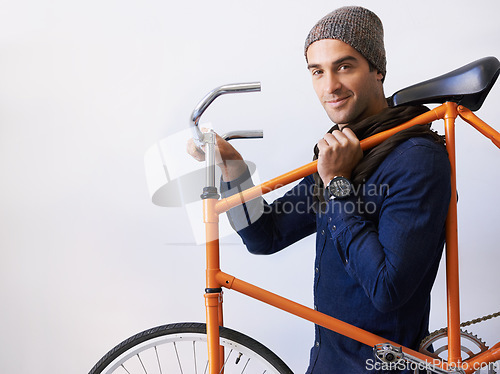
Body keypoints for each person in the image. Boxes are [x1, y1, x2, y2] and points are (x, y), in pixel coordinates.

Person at [187, 6, 451, 373]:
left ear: (377, 69)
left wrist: (337, 184)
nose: (330, 87)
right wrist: (234, 169)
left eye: (344, 66)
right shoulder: (347, 149)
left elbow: (387, 289)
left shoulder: (416, 158)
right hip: (326, 363)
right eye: (317, 71)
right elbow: (267, 235)